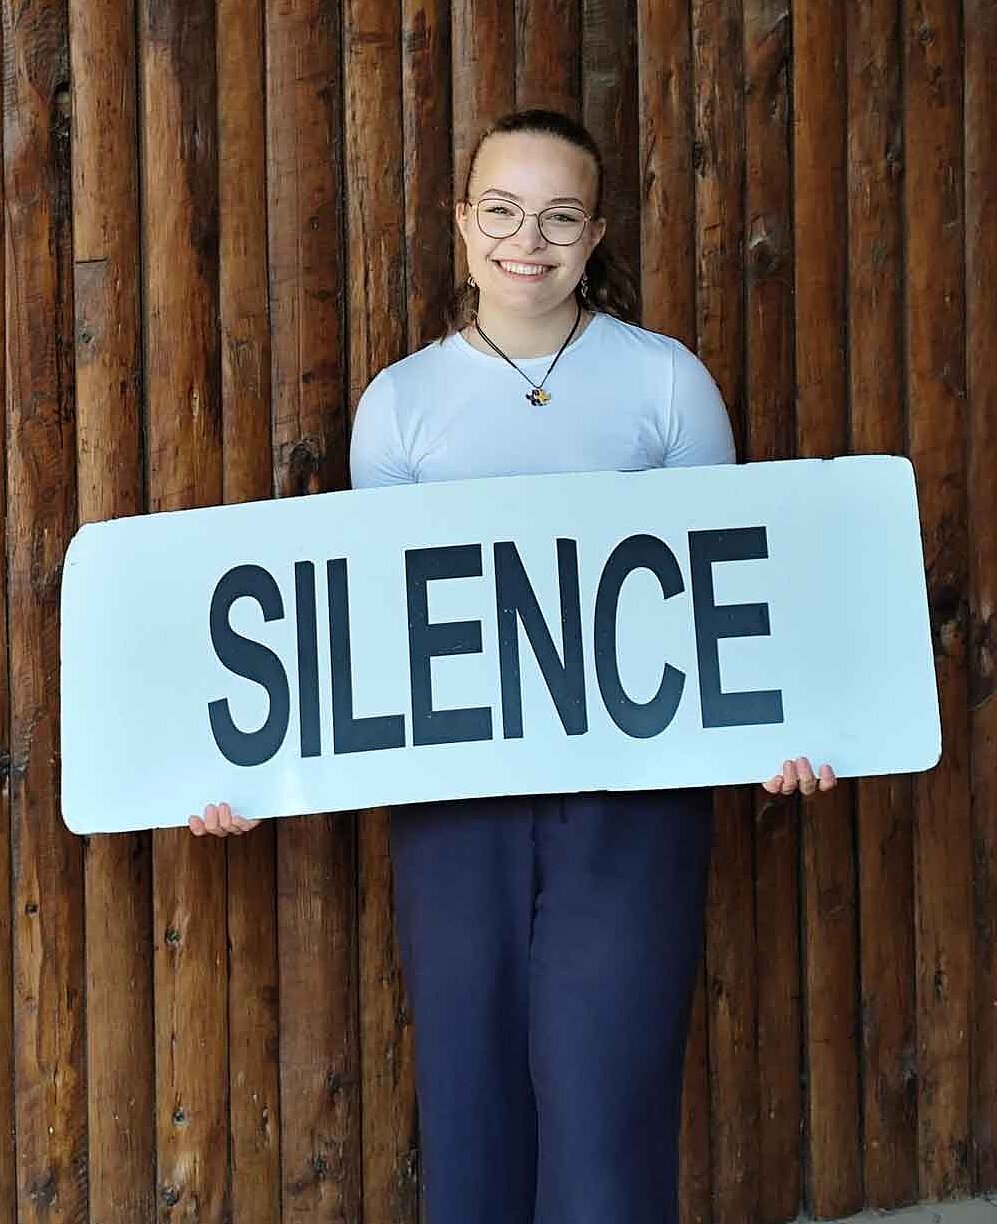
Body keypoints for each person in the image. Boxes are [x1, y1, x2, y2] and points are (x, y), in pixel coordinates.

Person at [190, 109, 836, 1224]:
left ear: (595, 234)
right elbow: (376, 634)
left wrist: (780, 739)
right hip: (455, 807)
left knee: (607, 1112)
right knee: (469, 1105)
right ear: (461, 222)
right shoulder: (401, 404)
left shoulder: (666, 384)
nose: (525, 241)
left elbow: (719, 598)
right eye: (500, 211)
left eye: (557, 217)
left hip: (633, 804)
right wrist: (253, 774)